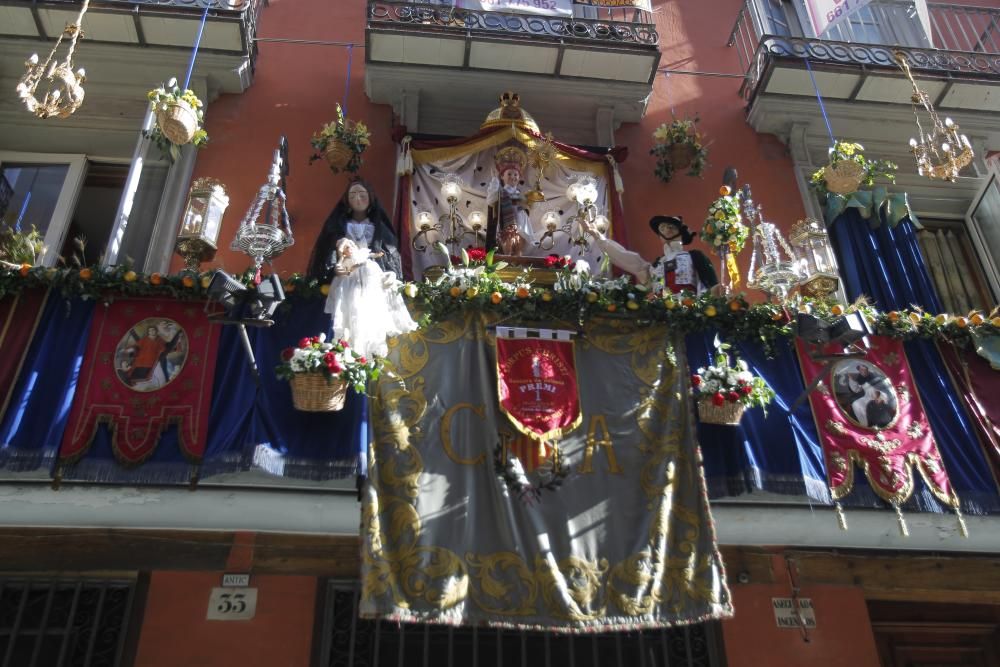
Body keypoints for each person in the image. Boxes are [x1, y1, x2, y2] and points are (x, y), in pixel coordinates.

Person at [325, 237, 417, 359]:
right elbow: (340, 269)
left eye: (351, 246)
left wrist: (378, 255)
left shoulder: (362, 254)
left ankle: (374, 348)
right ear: (343, 251)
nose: (350, 249)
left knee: (372, 313)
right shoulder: (345, 260)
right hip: (354, 285)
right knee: (355, 313)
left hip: (370, 281)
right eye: (346, 248)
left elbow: (372, 255)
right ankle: (357, 352)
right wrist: (345, 268)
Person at [578, 215, 718, 295]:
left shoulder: (694, 256)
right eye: (663, 228)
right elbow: (625, 258)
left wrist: (719, 291)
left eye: (672, 227)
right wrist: (597, 236)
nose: (667, 230)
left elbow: (712, 285)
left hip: (689, 316)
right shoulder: (657, 264)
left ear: (681, 232)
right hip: (660, 319)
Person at [308, 179, 403, 283]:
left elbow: (389, 253)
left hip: (372, 278)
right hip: (346, 278)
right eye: (352, 196)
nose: (357, 199)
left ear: (370, 198)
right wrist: (334, 268)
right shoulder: (338, 226)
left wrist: (391, 273)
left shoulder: (379, 228)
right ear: (347, 200)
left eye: (362, 195)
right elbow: (328, 251)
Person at [486, 146, 533, 256]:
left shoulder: (521, 195)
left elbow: (524, 212)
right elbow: (490, 200)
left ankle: (519, 269)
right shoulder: (500, 193)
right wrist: (494, 181)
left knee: (519, 250)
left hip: (520, 227)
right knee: (507, 250)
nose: (513, 177)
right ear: (502, 176)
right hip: (506, 227)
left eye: (515, 174)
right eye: (509, 174)